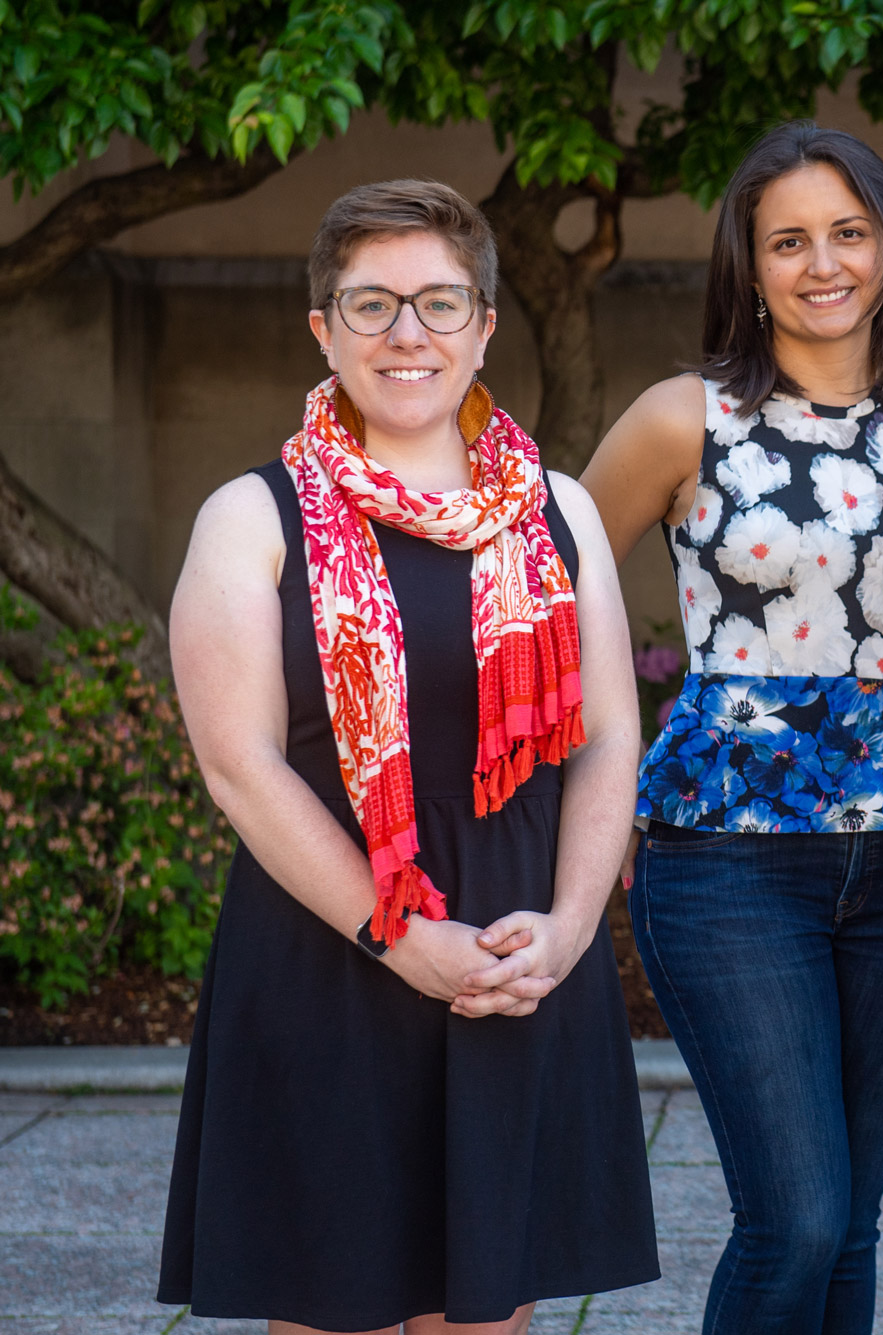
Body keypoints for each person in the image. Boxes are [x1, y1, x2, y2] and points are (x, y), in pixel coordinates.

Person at [158, 179, 658, 1334]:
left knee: (492, 1315)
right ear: (322, 328)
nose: (406, 335)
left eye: (439, 303)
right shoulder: (251, 516)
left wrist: (574, 927)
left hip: (515, 956)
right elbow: (240, 765)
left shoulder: (558, 510)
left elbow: (608, 737)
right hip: (330, 957)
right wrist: (398, 935)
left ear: (484, 325)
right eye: (370, 304)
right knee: (342, 1312)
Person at [579, 122, 883, 1333]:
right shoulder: (677, 421)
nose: (823, 264)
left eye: (848, 234)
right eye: (789, 241)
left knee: (853, 1225)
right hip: (730, 859)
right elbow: (545, 607)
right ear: (747, 267)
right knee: (796, 1220)